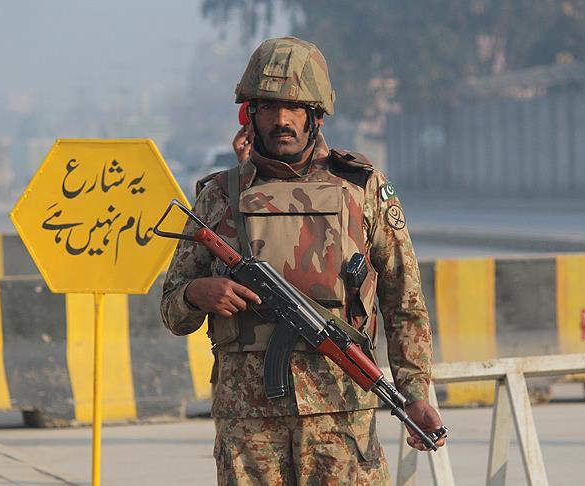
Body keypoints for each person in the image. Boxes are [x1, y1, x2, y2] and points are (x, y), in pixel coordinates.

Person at [161, 36, 443, 485]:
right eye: (269, 107)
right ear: (250, 114)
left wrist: (415, 393)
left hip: (341, 414)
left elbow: (403, 299)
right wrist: (197, 293)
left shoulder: (361, 189)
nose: (282, 120)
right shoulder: (219, 196)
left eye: (295, 107)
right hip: (249, 423)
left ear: (316, 114)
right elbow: (172, 309)